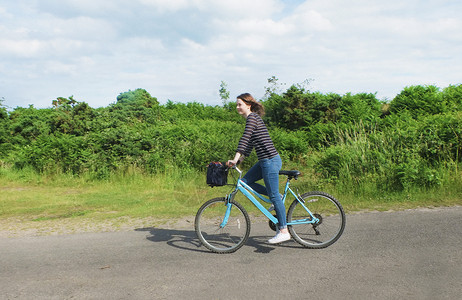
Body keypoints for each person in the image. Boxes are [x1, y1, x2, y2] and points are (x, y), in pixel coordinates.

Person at [227, 93, 290, 244]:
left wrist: (235, 158)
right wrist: (242, 157)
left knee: (274, 195)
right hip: (265, 161)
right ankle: (277, 199)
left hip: (270, 161)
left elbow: (245, 137)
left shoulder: (252, 118)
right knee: (246, 182)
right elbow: (251, 141)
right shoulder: (254, 119)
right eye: (237, 105)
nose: (237, 107)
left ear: (248, 105)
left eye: (239, 104)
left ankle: (284, 230)